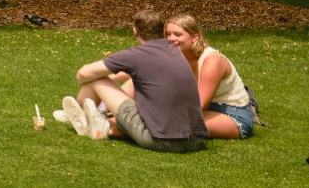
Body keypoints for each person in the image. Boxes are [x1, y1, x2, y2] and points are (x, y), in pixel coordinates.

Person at [68, 9, 208, 153]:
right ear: (162, 30)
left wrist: (103, 77)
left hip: (163, 140)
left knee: (96, 81)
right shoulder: (176, 52)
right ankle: (97, 118)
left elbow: (82, 74)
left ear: (135, 31)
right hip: (195, 140)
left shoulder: (136, 55)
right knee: (131, 82)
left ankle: (82, 116)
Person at [165, 13, 257, 139]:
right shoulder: (178, 57)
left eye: (177, 34)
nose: (171, 39)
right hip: (207, 108)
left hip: (233, 115)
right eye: (168, 34)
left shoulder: (211, 62)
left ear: (195, 37)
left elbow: (197, 105)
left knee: (174, 122)